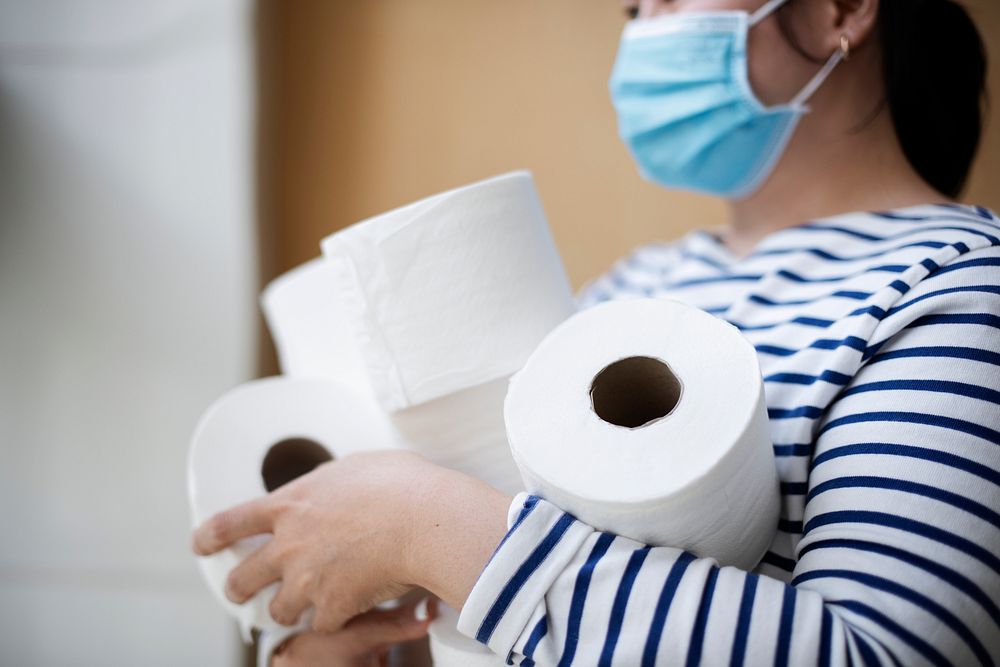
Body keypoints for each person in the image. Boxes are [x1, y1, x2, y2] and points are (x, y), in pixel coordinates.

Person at [193, 0, 1000, 664]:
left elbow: (888, 653)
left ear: (840, 12)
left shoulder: (958, 285)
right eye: (633, 10)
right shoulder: (630, 288)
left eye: (670, 1)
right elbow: (513, 616)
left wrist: (419, 521)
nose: (644, 29)